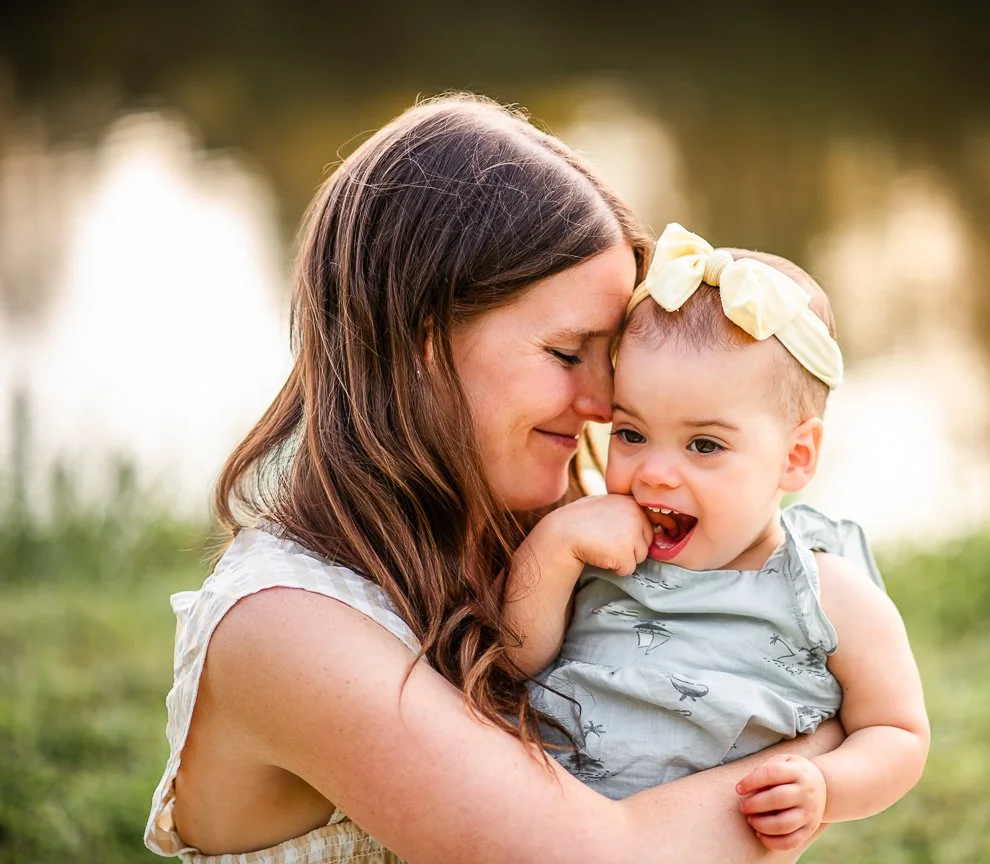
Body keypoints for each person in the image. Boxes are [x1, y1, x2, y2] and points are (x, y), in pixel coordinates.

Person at [143, 97, 843, 863]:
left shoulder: (534, 537)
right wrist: (827, 747)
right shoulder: (286, 627)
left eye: (611, 358)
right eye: (568, 353)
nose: (605, 403)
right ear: (427, 342)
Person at [509, 223, 932, 852]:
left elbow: (897, 733)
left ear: (795, 456)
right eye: (631, 434)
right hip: (548, 836)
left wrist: (825, 785)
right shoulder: (599, 550)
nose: (654, 472)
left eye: (704, 445)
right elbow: (515, 662)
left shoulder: (827, 593)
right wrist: (554, 547)